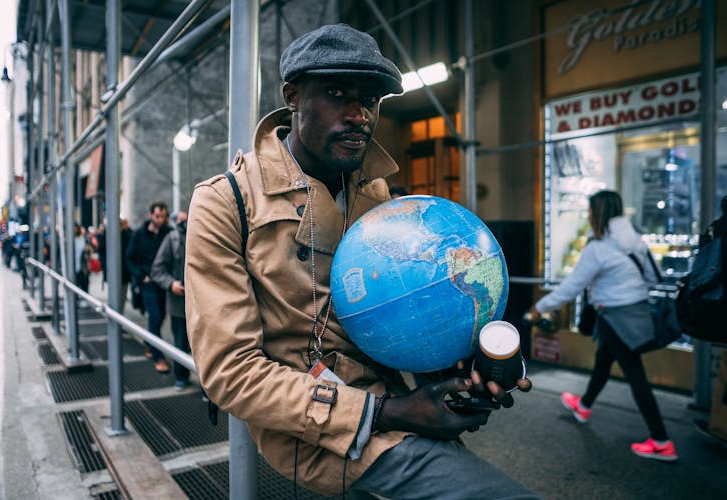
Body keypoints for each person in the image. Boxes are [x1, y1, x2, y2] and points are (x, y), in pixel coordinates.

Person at [186, 24, 535, 499]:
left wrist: (456, 376)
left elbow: (390, 319)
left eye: (370, 101)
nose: (359, 115)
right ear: (292, 96)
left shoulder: (374, 193)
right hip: (310, 428)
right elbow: (230, 371)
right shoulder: (226, 201)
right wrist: (389, 413)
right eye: (337, 93)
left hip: (394, 399)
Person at [527, 190, 677, 462]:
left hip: (616, 316)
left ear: (598, 214)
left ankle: (661, 440)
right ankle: (584, 406)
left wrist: (540, 307)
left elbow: (572, 286)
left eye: (590, 212)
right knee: (603, 361)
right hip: (633, 313)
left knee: (634, 374)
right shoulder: (635, 241)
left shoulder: (598, 249)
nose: (588, 216)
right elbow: (652, 279)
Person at [126, 201, 171, 373]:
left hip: (164, 282)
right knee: (155, 316)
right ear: (151, 215)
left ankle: (148, 341)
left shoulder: (168, 233)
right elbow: (129, 258)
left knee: (159, 318)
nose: (160, 219)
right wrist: (140, 276)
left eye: (163, 216)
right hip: (147, 283)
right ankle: (158, 356)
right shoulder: (139, 235)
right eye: (157, 216)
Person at [151, 210, 191, 390]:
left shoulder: (207, 235)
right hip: (179, 305)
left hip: (205, 306)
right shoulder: (172, 239)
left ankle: (209, 388)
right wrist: (171, 284)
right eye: (179, 219)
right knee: (180, 343)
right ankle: (181, 377)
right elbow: (157, 270)